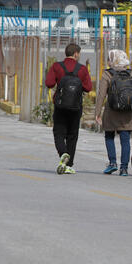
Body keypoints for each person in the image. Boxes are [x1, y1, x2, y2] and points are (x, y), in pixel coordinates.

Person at [45, 43, 92, 175]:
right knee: (72, 135)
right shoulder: (82, 69)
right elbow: (88, 88)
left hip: (60, 105)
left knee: (59, 133)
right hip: (76, 107)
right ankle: (69, 165)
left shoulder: (57, 66)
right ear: (76, 53)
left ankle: (63, 153)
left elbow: (49, 83)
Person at [95, 49, 132, 177]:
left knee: (109, 136)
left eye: (109, 59)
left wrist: (97, 112)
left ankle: (112, 163)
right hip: (129, 113)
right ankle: (124, 168)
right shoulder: (130, 74)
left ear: (112, 61)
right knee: (125, 139)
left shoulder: (107, 75)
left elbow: (101, 95)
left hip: (111, 111)